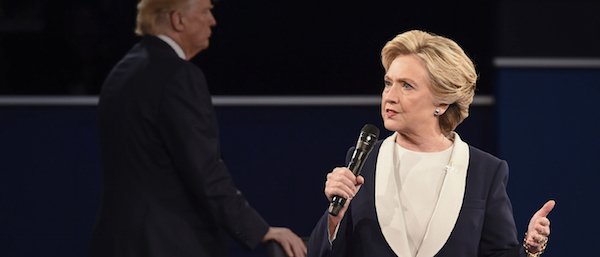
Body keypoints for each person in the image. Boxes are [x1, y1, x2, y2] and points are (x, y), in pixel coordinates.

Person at [308, 30, 554, 257]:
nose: (390, 96)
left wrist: (529, 249)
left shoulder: (484, 170)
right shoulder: (364, 161)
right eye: (388, 83)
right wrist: (334, 219)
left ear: (442, 102)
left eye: (406, 86)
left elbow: (498, 253)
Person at [89, 0, 307, 256]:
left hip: (116, 243)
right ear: (178, 20)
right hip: (167, 244)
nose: (212, 20)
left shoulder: (121, 72)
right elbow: (204, 170)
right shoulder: (178, 75)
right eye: (205, 11)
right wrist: (259, 230)